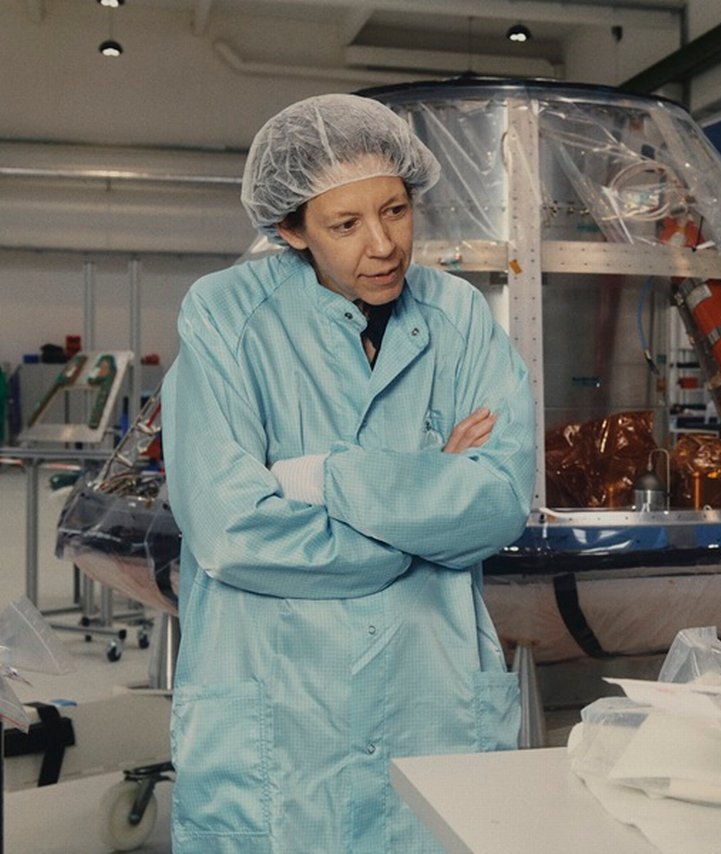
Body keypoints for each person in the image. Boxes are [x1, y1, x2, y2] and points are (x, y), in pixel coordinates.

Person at [161, 93, 535, 852]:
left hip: (430, 695)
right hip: (282, 707)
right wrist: (424, 504)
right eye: (345, 224)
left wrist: (323, 477)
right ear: (289, 229)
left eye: (395, 211)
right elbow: (232, 530)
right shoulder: (227, 318)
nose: (384, 245)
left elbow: (497, 501)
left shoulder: (459, 316)